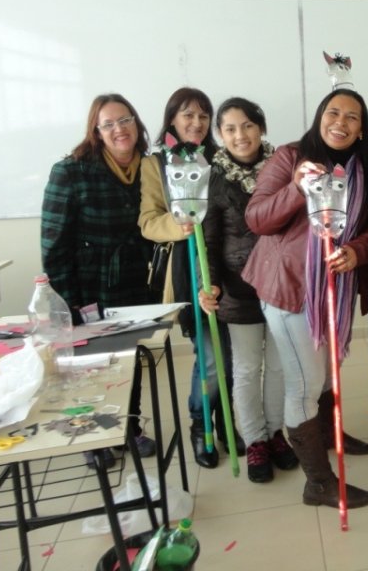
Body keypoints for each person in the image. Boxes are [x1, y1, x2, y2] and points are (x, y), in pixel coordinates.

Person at [243, 88, 368, 509]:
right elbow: (257, 218)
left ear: (361, 129)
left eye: (352, 117)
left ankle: (327, 432)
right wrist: (297, 188)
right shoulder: (289, 157)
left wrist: (357, 251)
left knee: (326, 375)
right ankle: (318, 483)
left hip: (335, 291)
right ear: (320, 116)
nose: (341, 121)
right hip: (290, 291)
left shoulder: (364, 169)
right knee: (303, 384)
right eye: (333, 112)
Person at [40, 94, 157, 465]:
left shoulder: (151, 167)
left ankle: (129, 427)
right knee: (91, 364)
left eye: (125, 120)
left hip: (140, 279)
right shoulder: (71, 171)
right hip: (90, 285)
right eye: (109, 124)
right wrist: (67, 301)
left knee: (131, 356)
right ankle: (93, 437)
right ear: (97, 131)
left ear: (136, 123)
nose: (119, 129)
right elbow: (54, 244)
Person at [197, 98, 298, 483]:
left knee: (278, 365)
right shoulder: (213, 179)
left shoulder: (283, 169)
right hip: (237, 290)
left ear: (261, 127)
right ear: (221, 135)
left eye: (247, 126)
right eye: (230, 129)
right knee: (245, 367)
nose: (240, 135)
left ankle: (274, 434)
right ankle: (253, 439)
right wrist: (211, 285)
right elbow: (208, 240)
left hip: (280, 285)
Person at [139, 86, 239, 469]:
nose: (196, 123)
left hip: (229, 264)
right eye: (187, 116)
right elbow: (148, 221)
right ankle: (202, 427)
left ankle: (229, 423)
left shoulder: (222, 156)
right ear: (172, 120)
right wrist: (179, 224)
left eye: (202, 116)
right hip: (188, 264)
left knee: (234, 354)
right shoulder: (156, 164)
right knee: (211, 357)